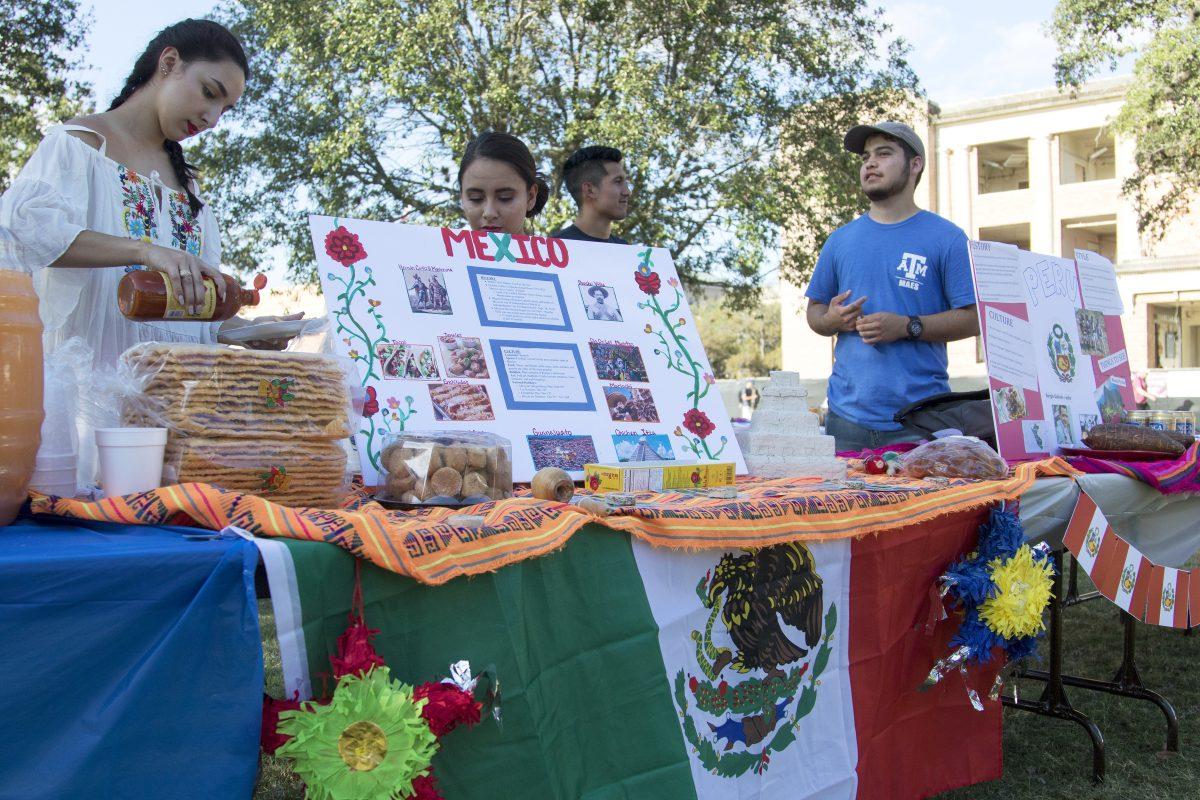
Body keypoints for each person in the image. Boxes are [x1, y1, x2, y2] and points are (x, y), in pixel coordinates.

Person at [0, 19, 300, 486]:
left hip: (177, 430)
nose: (213, 118)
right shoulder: (77, 146)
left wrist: (236, 332)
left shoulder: (188, 188)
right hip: (90, 420)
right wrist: (144, 249)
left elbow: (181, 308)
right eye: (209, 92)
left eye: (225, 108)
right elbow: (27, 231)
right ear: (169, 63)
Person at [805, 121, 979, 452]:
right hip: (844, 422)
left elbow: (973, 319)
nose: (870, 163)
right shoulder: (839, 241)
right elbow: (814, 313)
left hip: (921, 423)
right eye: (866, 156)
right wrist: (831, 320)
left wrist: (907, 326)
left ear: (915, 165)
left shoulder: (948, 238)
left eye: (884, 154)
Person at [458, 131, 549, 235]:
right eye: (476, 198)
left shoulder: (564, 250)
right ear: (462, 198)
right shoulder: (441, 250)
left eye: (505, 197)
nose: (489, 213)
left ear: (531, 197)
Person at [554, 146, 630, 243]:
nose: (627, 192)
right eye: (618, 181)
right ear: (590, 190)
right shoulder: (553, 252)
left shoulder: (625, 251)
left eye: (626, 182)